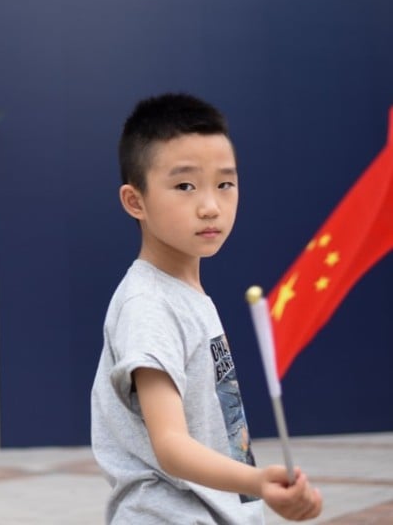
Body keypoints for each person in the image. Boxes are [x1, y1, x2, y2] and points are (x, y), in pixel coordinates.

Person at [91, 94, 324, 523]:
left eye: (225, 183)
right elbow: (171, 445)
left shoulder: (185, 294)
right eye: (185, 186)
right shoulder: (148, 305)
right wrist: (258, 482)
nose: (210, 205)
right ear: (134, 201)